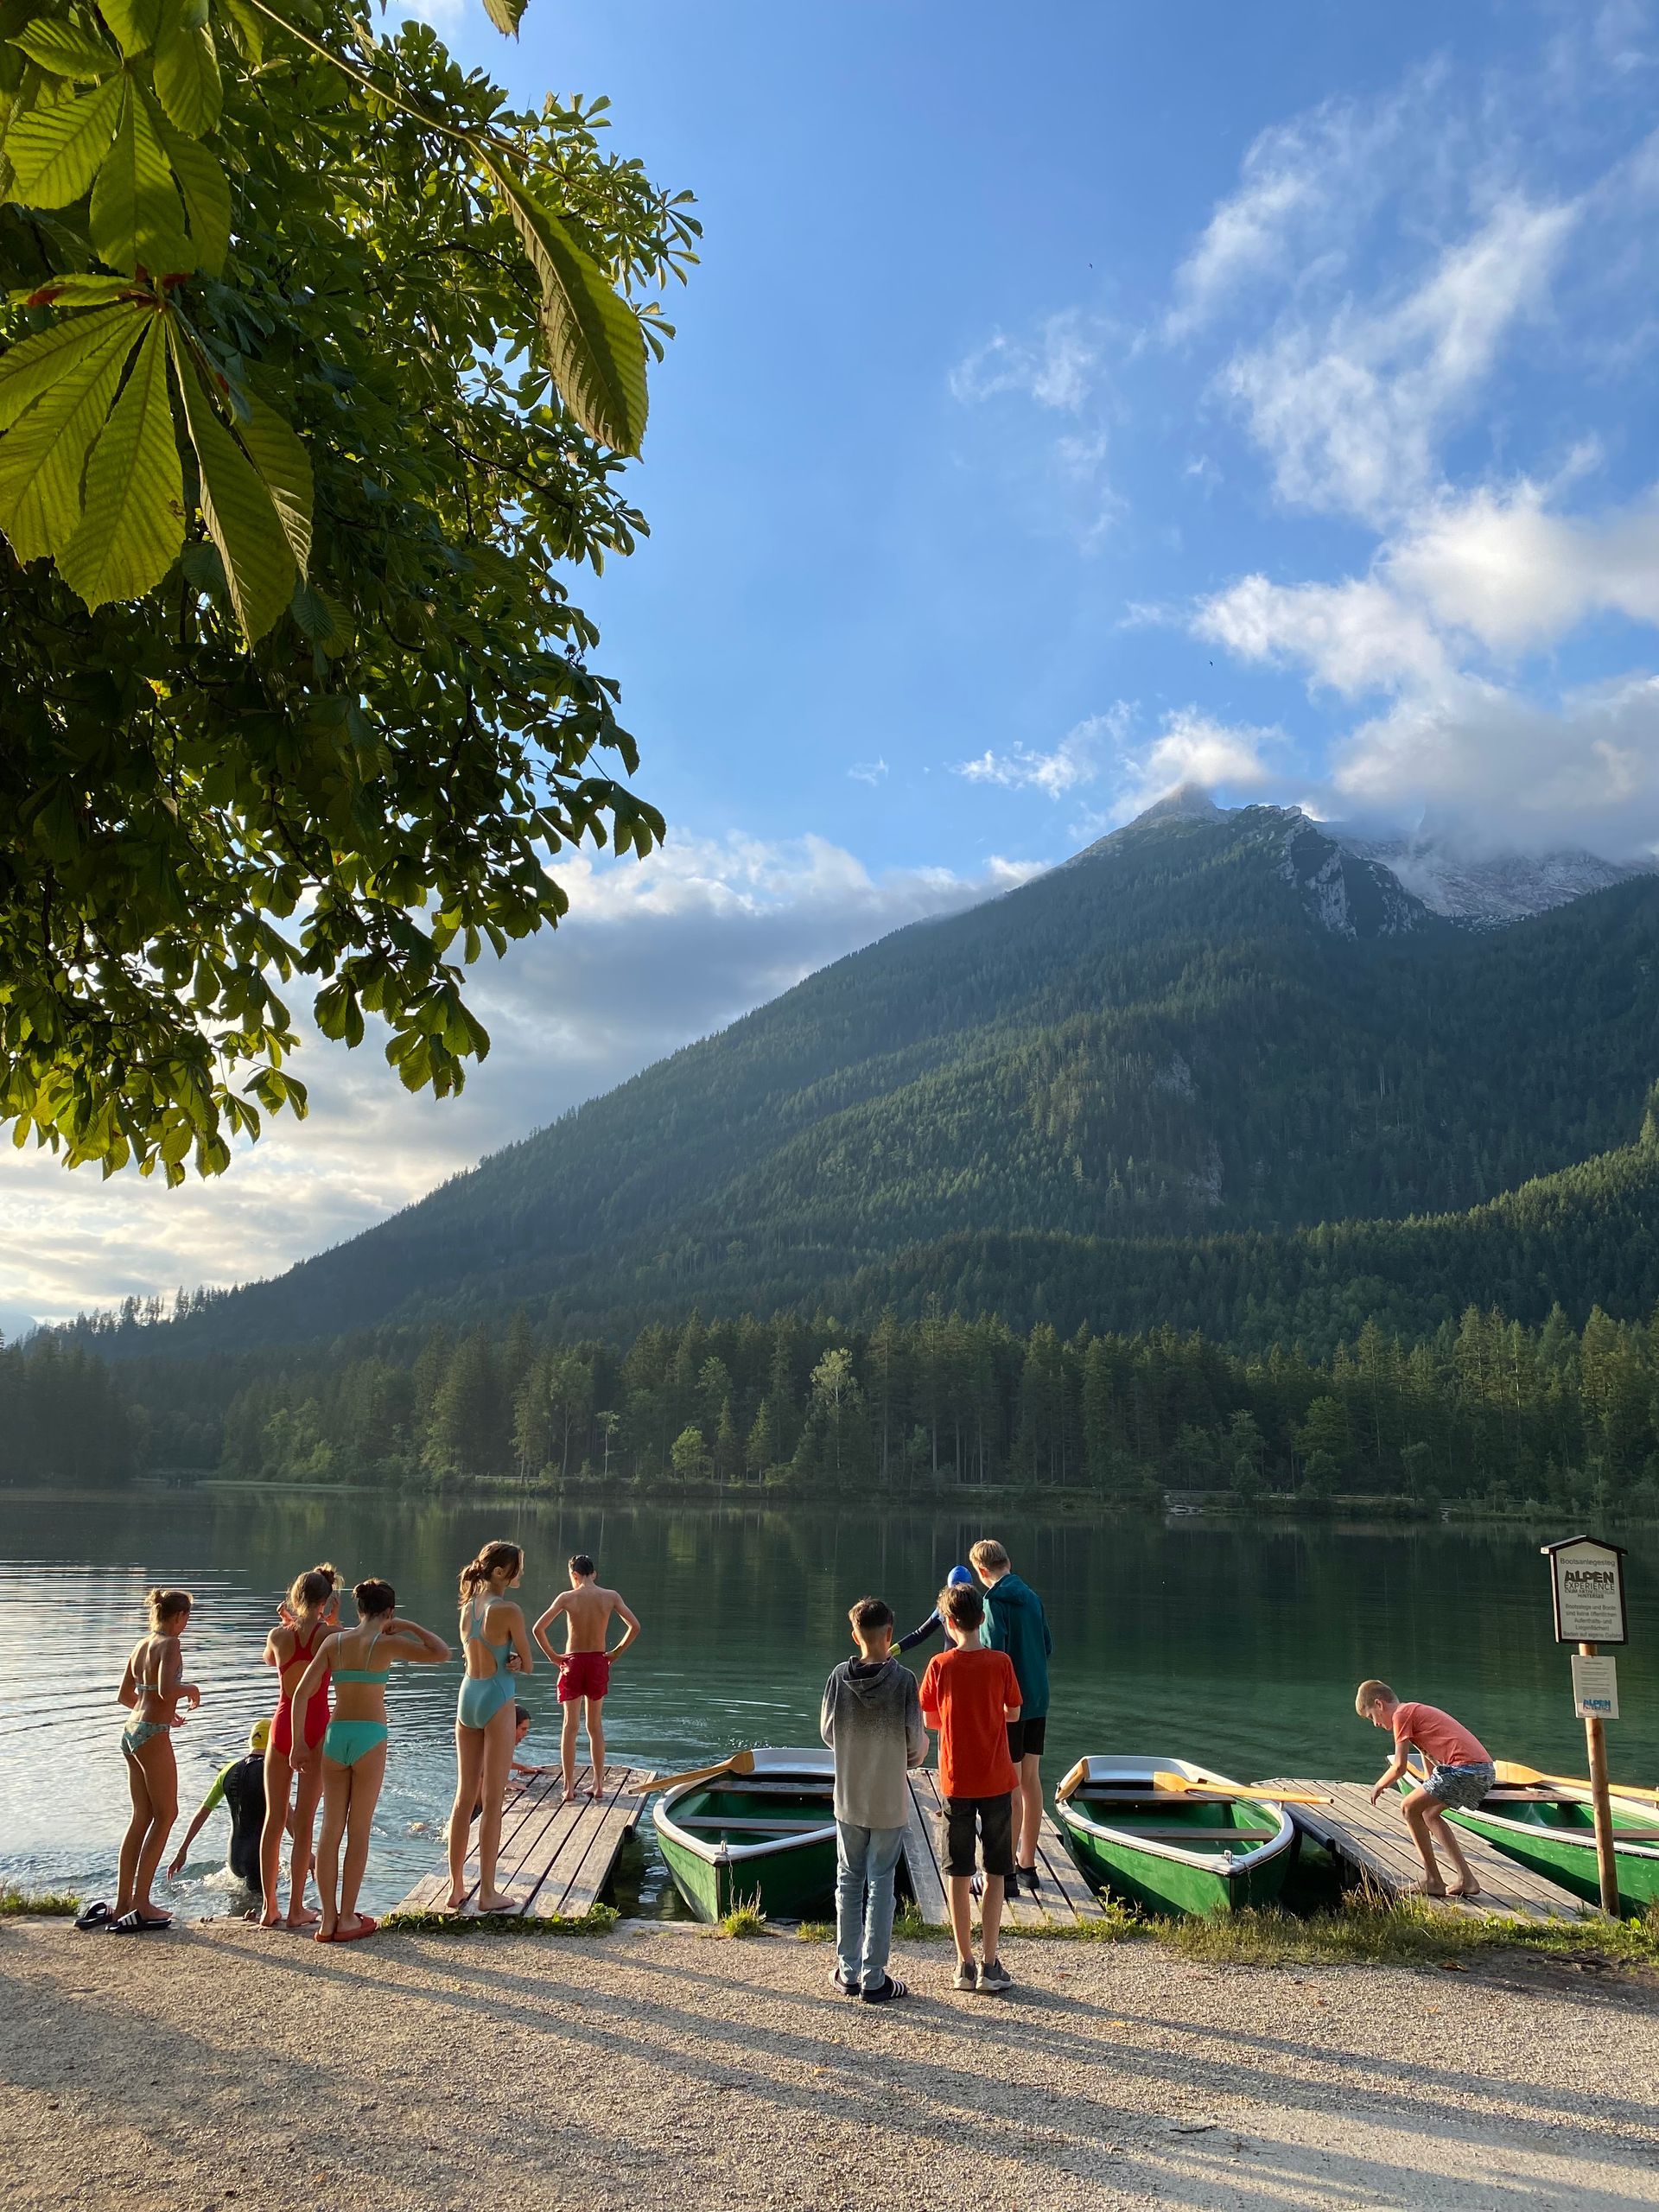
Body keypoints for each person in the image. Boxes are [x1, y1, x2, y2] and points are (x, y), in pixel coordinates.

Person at [289, 1578, 449, 1942]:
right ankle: (348, 1918)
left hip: (336, 1736)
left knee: (330, 1829)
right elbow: (441, 1652)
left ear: (358, 1609)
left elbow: (301, 1693)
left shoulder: (334, 1641)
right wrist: (408, 1626)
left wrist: (299, 1743)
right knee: (357, 1830)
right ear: (389, 1612)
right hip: (370, 1737)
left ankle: (327, 1920)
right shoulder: (389, 1643)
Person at [821, 1596, 927, 2005]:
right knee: (881, 1882)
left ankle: (847, 1971)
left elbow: (828, 1733)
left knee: (848, 1879)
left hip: (848, 1795)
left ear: (854, 1635)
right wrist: (913, 1751)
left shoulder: (837, 1678)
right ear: (890, 1634)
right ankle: (874, 1977)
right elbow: (915, 1749)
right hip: (887, 1798)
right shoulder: (903, 1681)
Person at [918, 1580, 1021, 1996]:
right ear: (982, 1618)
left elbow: (929, 1720)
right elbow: (1014, 1713)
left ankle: (963, 1964)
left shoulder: (939, 1665)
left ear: (947, 1622)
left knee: (958, 1872)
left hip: (955, 1782)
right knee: (996, 1871)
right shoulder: (1001, 1663)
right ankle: (991, 1964)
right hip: (997, 1780)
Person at [446, 1540, 534, 1914]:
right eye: (518, 1568)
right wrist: (515, 1662)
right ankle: (487, 1894)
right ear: (501, 1573)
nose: (521, 1574)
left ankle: (455, 1889)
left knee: (465, 1796)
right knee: (493, 1800)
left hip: (468, 1696)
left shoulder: (468, 1608)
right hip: (498, 1696)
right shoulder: (509, 1610)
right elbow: (528, 1664)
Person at [109, 1587, 200, 1932]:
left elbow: (126, 1695)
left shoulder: (142, 1644)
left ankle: (123, 1903)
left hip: (131, 1731)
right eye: (187, 1617)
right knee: (167, 1814)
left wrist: (166, 1714)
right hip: (150, 1734)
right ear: (179, 1617)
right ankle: (143, 1902)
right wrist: (189, 1689)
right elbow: (165, 1690)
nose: (186, 1623)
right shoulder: (170, 1644)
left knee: (142, 1816)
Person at [1357, 1678, 1495, 1900]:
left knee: (1407, 1807)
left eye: (1372, 1716)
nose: (1375, 1723)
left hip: (1467, 1770)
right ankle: (1467, 1880)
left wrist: (1379, 1785)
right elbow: (1425, 1750)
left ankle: (1432, 1880)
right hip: (1483, 1770)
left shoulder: (1402, 1714)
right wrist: (1429, 1783)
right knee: (1429, 1814)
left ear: (1379, 1704)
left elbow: (1400, 1767)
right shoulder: (1413, 1713)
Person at [258, 1562, 340, 1929]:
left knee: (274, 1821)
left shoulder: (277, 1635)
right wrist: (330, 1622)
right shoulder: (331, 1637)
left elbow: (270, 1660)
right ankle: (295, 1909)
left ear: (294, 1596)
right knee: (304, 1823)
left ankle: (269, 1908)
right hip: (316, 1729)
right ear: (327, 1599)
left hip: (281, 1729)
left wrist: (290, 1620)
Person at [971, 1537, 1052, 1895]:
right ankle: (1028, 1866)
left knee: (1009, 1786)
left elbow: (993, 1657)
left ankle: (1002, 1873)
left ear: (983, 1571)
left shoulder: (992, 1602)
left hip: (1011, 1705)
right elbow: (1047, 1645)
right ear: (1009, 1561)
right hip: (1039, 1698)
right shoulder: (1032, 1597)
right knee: (1030, 1781)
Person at [532, 1553, 640, 1802]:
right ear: (594, 1574)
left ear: (574, 1575)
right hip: (598, 1661)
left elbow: (538, 1628)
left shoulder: (567, 1597)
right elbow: (634, 1626)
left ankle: (569, 1788)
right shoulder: (610, 1596)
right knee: (595, 1726)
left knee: (570, 1727)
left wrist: (552, 1656)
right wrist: (615, 1653)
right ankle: (599, 1785)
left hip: (573, 1662)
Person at [168, 1719, 271, 1894]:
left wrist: (182, 1850)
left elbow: (203, 1811)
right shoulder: (270, 1771)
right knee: (263, 1906)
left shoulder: (227, 1770)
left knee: (241, 1905)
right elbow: (287, 1816)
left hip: (234, 1856)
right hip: (258, 1858)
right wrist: (306, 1853)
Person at [894, 1567, 976, 1655]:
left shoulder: (978, 1608)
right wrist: (891, 1652)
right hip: (954, 1662)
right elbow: (920, 1634)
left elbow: (920, 1634)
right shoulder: (944, 1608)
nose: (959, 1599)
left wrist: (892, 1651)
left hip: (955, 1662)